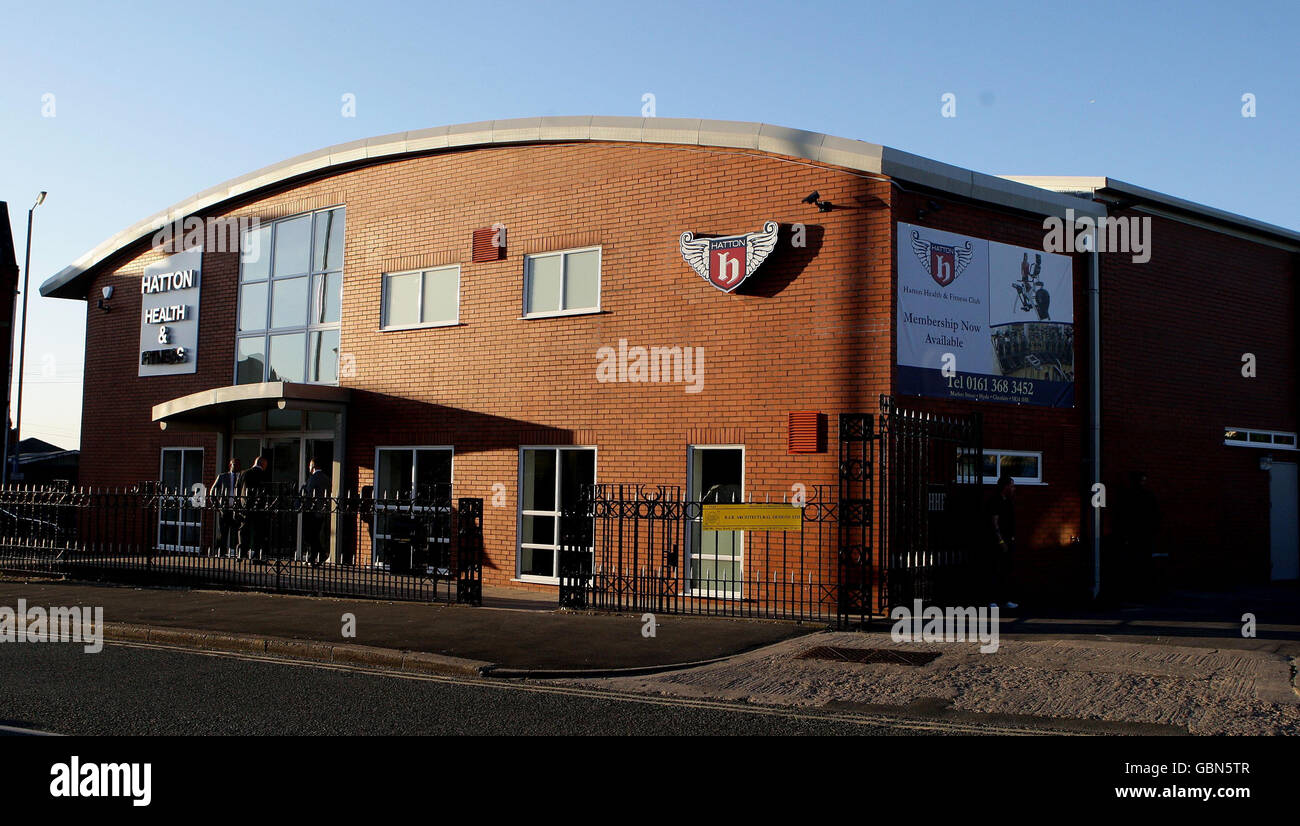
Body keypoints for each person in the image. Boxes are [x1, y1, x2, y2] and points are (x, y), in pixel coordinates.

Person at [988, 473, 1019, 610]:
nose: (1014, 488)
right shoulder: (995, 501)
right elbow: (994, 523)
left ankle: (1005, 600)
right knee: (995, 571)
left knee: (1006, 571)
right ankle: (992, 600)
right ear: (1005, 486)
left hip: (1008, 541)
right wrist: (1001, 542)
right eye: (1012, 486)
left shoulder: (1008, 501)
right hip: (997, 543)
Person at [238, 454, 271, 563]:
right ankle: (256, 555)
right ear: (263, 464)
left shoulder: (243, 473)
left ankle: (242, 554)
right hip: (258, 507)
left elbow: (237, 489)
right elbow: (266, 492)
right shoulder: (263, 474)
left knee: (244, 530)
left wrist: (239, 504)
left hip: (245, 506)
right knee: (258, 532)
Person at [301, 457, 331, 566]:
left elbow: (308, 494)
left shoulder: (313, 478)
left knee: (310, 536)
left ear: (313, 466)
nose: (309, 467)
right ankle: (313, 557)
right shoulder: (326, 478)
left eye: (309, 465)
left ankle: (321, 554)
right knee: (315, 535)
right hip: (322, 511)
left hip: (312, 511)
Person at [209, 458, 242, 558]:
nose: (236, 467)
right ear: (230, 465)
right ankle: (220, 553)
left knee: (236, 532)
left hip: (237, 510)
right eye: (234, 464)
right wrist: (217, 506)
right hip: (225, 509)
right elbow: (212, 492)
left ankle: (236, 552)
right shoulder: (222, 477)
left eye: (238, 465)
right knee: (223, 532)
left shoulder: (241, 477)